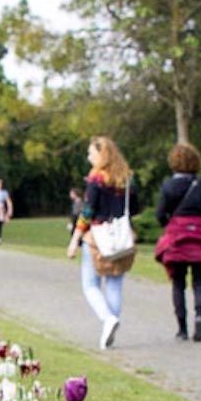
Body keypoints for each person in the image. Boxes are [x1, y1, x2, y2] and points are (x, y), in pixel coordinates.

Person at [66, 135, 134, 350]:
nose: (89, 158)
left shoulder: (96, 181)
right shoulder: (124, 180)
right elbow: (135, 206)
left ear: (102, 154)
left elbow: (87, 212)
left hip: (97, 237)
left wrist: (75, 239)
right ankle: (110, 325)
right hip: (121, 237)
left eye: (91, 153)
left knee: (90, 285)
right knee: (115, 284)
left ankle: (107, 320)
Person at [155, 141, 201, 342]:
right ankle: (200, 316)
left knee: (178, 283)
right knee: (200, 282)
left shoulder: (169, 186)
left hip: (177, 240)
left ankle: (182, 329)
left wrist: (169, 225)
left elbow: (160, 214)